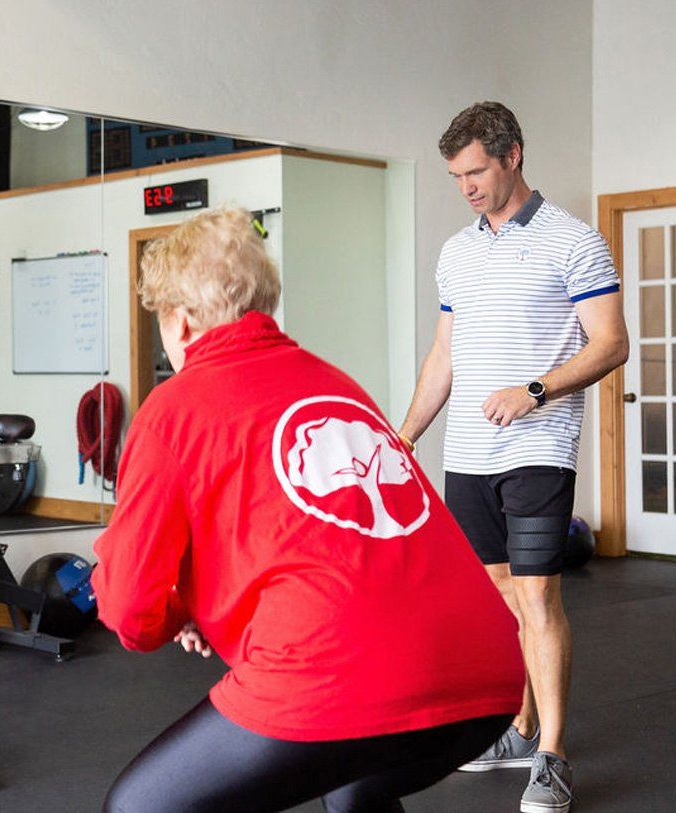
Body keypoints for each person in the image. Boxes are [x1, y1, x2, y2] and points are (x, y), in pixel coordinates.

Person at [92, 206, 526, 813]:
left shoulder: (174, 408)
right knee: (354, 783)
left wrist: (168, 615)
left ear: (181, 320)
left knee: (139, 808)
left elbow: (129, 609)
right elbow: (318, 533)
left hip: (333, 677)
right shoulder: (336, 384)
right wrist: (196, 602)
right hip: (490, 675)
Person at [398, 102, 628, 813]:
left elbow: (610, 344)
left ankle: (552, 755)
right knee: (499, 601)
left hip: (537, 447)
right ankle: (518, 725)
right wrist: (404, 435)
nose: (464, 186)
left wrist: (537, 389)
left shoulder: (574, 242)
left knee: (537, 595)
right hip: (469, 453)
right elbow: (445, 354)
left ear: (513, 155)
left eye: (475, 170)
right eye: (454, 175)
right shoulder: (456, 251)